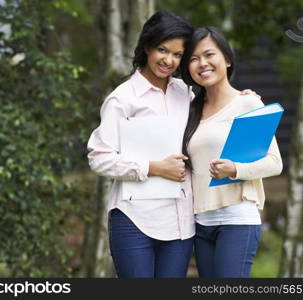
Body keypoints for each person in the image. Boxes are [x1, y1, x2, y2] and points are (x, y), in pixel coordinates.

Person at [87, 11, 258, 278]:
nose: (168, 60)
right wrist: (152, 167)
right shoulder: (122, 99)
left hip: (181, 225)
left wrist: (241, 99)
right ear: (147, 47)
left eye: (178, 55)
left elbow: (214, 111)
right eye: (162, 50)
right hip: (135, 219)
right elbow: (98, 157)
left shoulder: (186, 93)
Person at [180, 26, 283, 278]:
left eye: (208, 55)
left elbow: (274, 163)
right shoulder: (189, 108)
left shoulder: (247, 103)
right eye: (193, 59)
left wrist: (235, 169)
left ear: (227, 59)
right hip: (201, 223)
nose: (202, 63)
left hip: (237, 219)